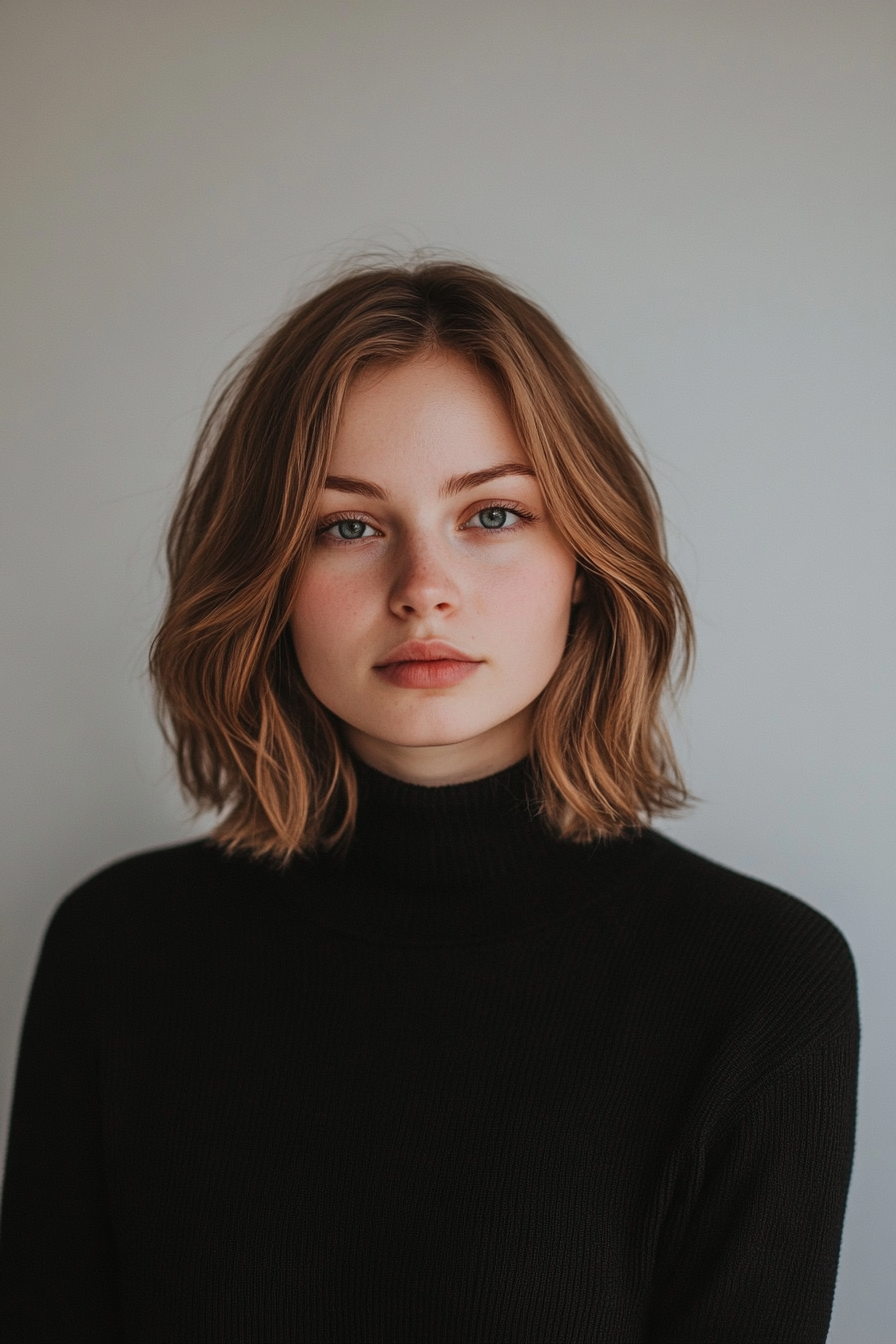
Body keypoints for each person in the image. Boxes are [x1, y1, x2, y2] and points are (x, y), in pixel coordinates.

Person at [0, 260, 858, 1342]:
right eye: (346, 526)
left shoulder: (760, 986)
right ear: (267, 576)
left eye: (491, 514)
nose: (422, 586)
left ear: (582, 561)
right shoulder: (117, 950)